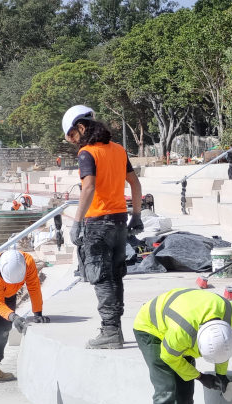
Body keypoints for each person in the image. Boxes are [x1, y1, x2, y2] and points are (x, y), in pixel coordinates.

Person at [63, 104, 144, 349]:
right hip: (120, 221)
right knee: (115, 276)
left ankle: (109, 331)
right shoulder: (118, 150)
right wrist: (137, 215)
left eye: (72, 136)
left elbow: (88, 187)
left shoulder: (87, 153)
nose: (73, 142)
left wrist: (77, 222)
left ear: (80, 127)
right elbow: (136, 184)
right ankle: (114, 330)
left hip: (98, 223)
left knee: (102, 278)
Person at [0, 249, 49, 385]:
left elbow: (34, 286)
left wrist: (38, 312)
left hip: (9, 291)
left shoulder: (28, 263)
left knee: (4, 328)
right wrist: (13, 316)